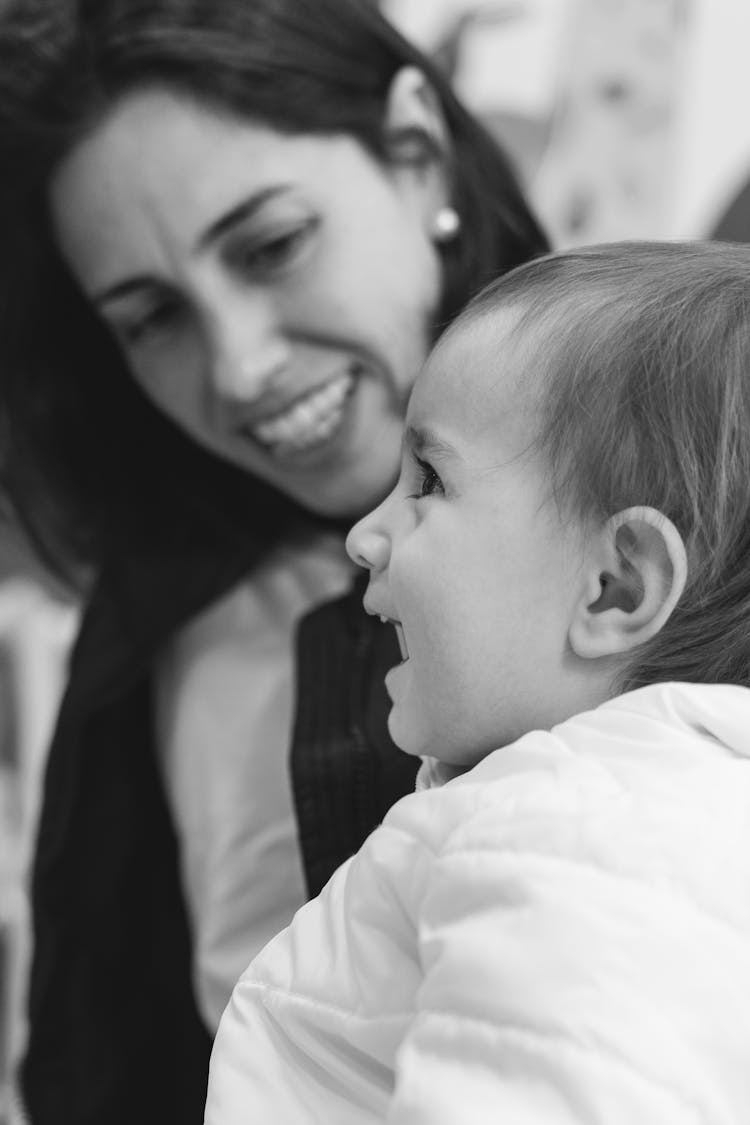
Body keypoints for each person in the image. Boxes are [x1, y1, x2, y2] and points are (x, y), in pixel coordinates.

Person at [0, 0, 548, 1120]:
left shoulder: (693, 492)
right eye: (153, 318)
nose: (241, 369)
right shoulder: (158, 623)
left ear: (415, 152)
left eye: (270, 246)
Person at [205, 240, 750, 1124]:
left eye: (428, 481)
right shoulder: (636, 820)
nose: (365, 536)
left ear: (617, 585)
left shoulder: (580, 833)